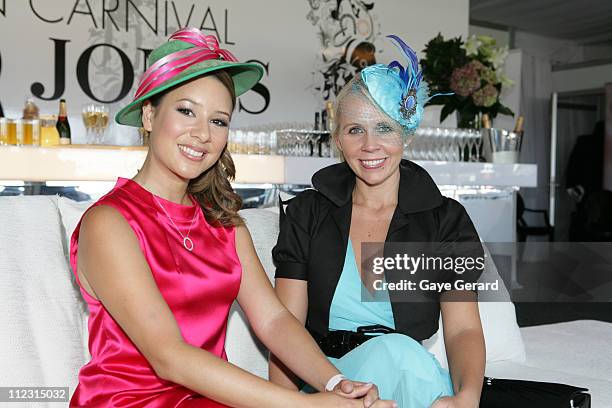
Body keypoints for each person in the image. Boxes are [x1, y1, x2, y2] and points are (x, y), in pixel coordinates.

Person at [69, 28, 395, 408]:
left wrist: (334, 380)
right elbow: (169, 357)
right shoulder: (109, 222)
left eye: (219, 121)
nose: (202, 134)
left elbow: (273, 319)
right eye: (186, 111)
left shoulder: (223, 221)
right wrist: (306, 406)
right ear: (148, 114)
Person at [270, 35, 485, 408]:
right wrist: (286, 403)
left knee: (396, 355)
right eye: (355, 130)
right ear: (338, 139)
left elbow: (464, 328)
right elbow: (283, 326)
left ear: (406, 133)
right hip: (327, 380)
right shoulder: (307, 213)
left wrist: (466, 398)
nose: (370, 145)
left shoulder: (446, 221)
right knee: (392, 357)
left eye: (384, 128)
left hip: (407, 375)